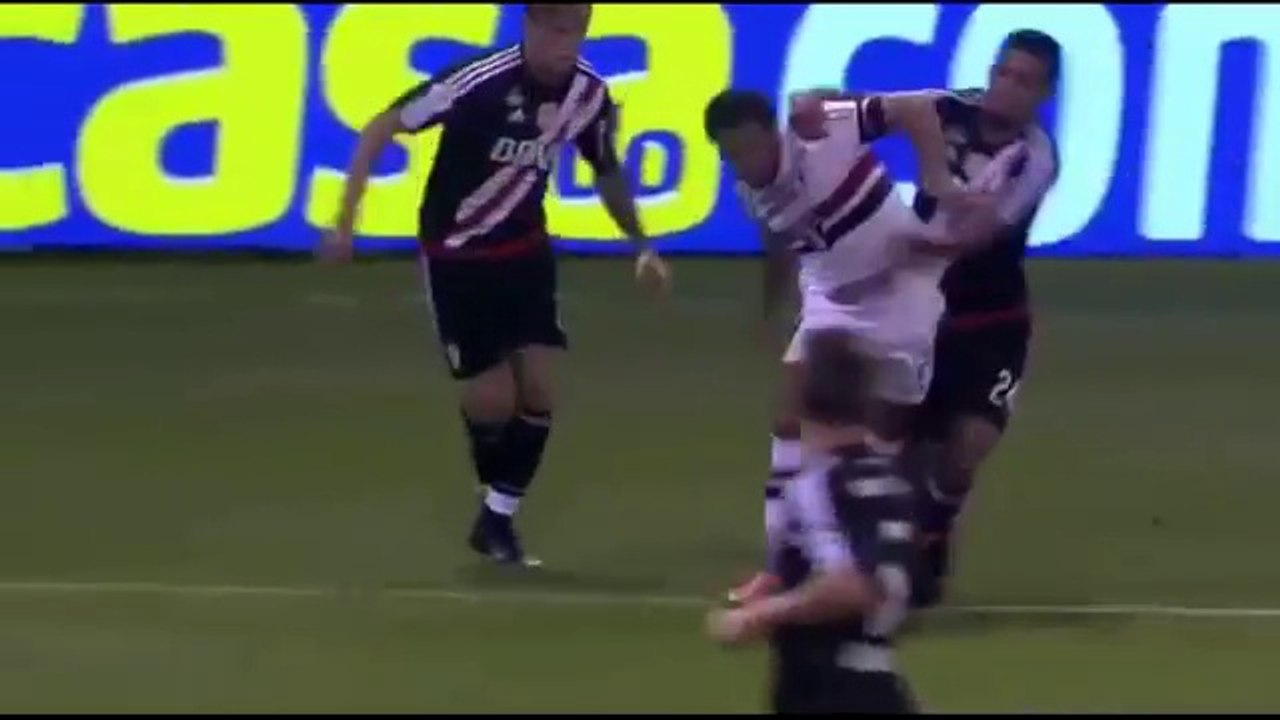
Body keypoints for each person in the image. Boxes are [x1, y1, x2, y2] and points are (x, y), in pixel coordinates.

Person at [320, 4, 672, 567]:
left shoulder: (589, 98)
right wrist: (345, 221)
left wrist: (643, 245)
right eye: (555, 30)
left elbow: (606, 169)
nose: (566, 44)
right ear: (530, 29)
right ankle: (495, 492)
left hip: (526, 254)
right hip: (457, 256)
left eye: (576, 32)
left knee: (539, 392)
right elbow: (383, 126)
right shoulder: (476, 83)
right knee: (492, 402)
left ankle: (497, 520)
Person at [703, 88, 981, 604]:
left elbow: (916, 109)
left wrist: (937, 179)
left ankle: (885, 565)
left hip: (904, 293)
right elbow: (779, 243)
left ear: (774, 133)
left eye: (751, 148)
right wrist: (771, 312)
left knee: (882, 445)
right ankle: (780, 569)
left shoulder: (823, 128)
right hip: (831, 302)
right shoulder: (751, 191)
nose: (745, 163)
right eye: (731, 155)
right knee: (790, 426)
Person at [906, 29, 1062, 608]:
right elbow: (867, 116)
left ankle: (936, 526)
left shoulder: (1037, 157)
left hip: (990, 320)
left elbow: (978, 235)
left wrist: (895, 243)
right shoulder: (945, 108)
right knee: (901, 449)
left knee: (966, 446)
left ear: (1042, 93)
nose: (1006, 88)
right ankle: (902, 552)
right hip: (919, 311)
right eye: (1003, 73)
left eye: (1023, 81)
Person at [707, 327, 918, 714]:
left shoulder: (818, 486)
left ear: (802, 400)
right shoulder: (891, 482)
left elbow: (851, 586)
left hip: (826, 689)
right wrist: (778, 584)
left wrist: (759, 615)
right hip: (881, 682)